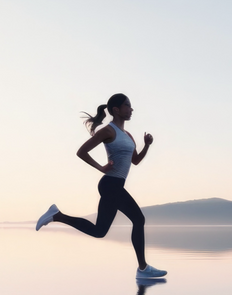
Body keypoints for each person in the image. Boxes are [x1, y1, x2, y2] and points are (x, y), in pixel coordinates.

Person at [35, 94, 166, 279]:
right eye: (127, 105)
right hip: (110, 185)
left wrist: (147, 146)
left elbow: (135, 161)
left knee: (99, 231)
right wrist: (101, 168)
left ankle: (57, 215)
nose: (131, 109)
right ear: (116, 110)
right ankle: (143, 268)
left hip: (114, 186)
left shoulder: (127, 135)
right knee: (138, 219)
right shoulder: (108, 131)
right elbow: (81, 152)